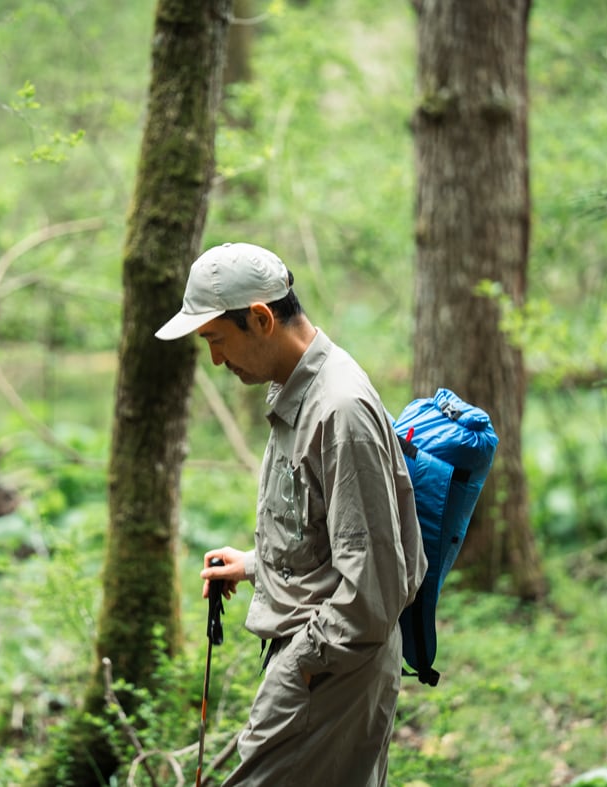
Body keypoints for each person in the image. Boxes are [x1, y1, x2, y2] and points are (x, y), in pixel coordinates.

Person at [155, 242, 427, 787]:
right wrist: (256, 564)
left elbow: (373, 587)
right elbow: (330, 535)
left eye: (215, 339)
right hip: (322, 665)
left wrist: (300, 662)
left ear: (260, 318)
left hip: (330, 671)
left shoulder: (339, 409)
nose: (215, 359)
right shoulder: (299, 394)